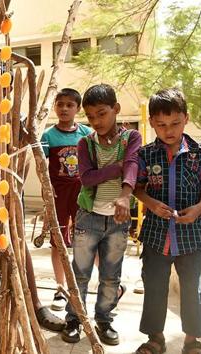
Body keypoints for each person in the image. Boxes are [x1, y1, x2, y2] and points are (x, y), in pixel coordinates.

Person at [133, 88, 201, 354]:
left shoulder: (200, 154)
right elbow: (137, 187)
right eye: (161, 125)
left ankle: (192, 341)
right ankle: (155, 339)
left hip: (191, 236)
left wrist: (198, 209)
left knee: (193, 290)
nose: (168, 130)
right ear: (152, 123)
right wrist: (150, 203)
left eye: (175, 123)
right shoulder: (146, 154)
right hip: (156, 236)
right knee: (155, 288)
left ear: (186, 118)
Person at [61, 84, 141, 346]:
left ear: (116, 109)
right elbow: (87, 178)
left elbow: (132, 164)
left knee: (110, 275)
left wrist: (125, 195)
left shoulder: (131, 138)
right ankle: (74, 319)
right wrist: (117, 167)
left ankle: (104, 320)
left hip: (118, 222)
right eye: (91, 116)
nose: (96, 121)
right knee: (80, 272)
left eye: (102, 114)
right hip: (88, 217)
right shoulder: (86, 143)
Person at [40, 88, 92, 311]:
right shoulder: (47, 136)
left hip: (83, 196)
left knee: (86, 241)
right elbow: (40, 166)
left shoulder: (88, 134)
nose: (64, 108)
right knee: (57, 241)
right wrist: (46, 189)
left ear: (77, 108)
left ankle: (81, 289)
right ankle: (60, 289)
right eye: (60, 104)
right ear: (55, 107)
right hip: (58, 196)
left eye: (69, 105)